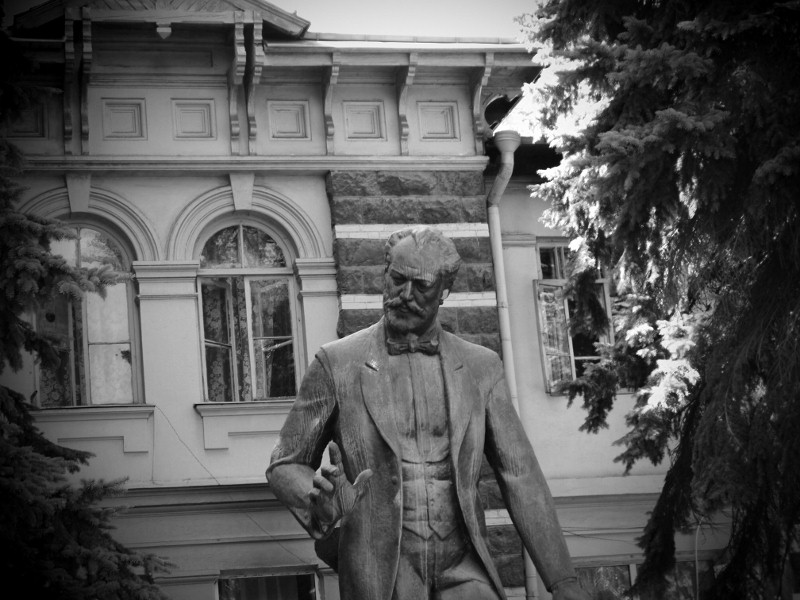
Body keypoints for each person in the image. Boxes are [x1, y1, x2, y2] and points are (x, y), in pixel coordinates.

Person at [267, 226, 588, 600]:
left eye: (420, 286)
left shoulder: (481, 367)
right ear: (385, 276)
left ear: (444, 293)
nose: (404, 296)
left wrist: (563, 580)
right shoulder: (336, 363)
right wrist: (320, 502)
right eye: (397, 280)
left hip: (463, 562)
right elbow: (284, 462)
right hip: (384, 565)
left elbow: (520, 474)